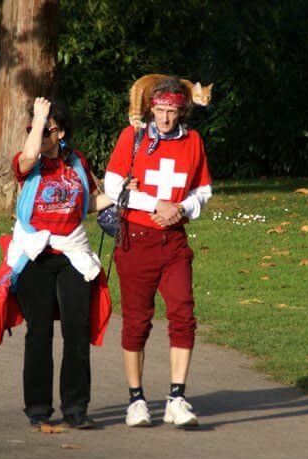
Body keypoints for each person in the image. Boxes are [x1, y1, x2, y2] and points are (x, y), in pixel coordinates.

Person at [0, 96, 117, 430]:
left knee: (77, 330)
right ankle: (38, 408)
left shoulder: (77, 163)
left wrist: (122, 194)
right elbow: (29, 154)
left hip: (72, 254)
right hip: (34, 255)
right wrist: (39, 116)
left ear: (60, 133)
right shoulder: (27, 162)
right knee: (40, 332)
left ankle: (76, 408)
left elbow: (87, 204)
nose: (37, 134)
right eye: (32, 129)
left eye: (44, 130)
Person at [103, 76, 212, 427]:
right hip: (136, 240)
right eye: (160, 110)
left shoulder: (193, 141)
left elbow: (203, 189)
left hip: (174, 240)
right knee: (137, 321)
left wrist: (181, 209)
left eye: (172, 111)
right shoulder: (131, 138)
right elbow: (112, 186)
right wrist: (158, 203)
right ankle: (136, 400)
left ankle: (177, 398)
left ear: (183, 110)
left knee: (183, 313)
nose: (165, 118)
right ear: (151, 107)